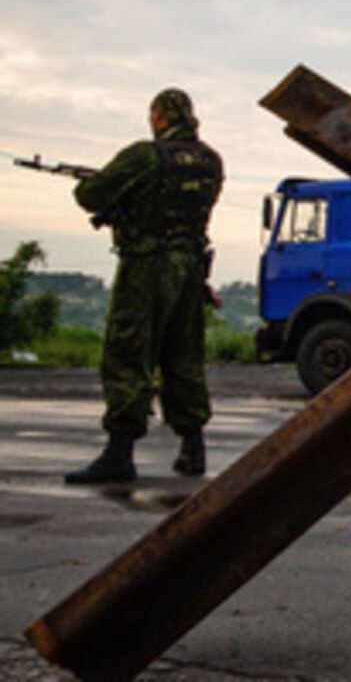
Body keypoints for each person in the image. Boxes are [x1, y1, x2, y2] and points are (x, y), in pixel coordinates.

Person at [64, 89, 224, 484]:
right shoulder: (210, 161)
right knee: (183, 357)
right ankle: (193, 448)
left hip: (147, 266)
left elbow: (89, 196)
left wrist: (104, 186)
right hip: (190, 270)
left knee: (128, 353)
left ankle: (119, 454)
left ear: (160, 115)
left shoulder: (144, 156)